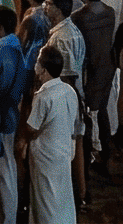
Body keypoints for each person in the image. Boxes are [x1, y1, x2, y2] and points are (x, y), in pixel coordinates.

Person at [21, 51, 78, 224]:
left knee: (45, 200)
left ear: (43, 70)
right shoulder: (69, 90)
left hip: (45, 157)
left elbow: (31, 127)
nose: (35, 66)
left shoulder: (43, 96)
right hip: (64, 151)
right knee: (62, 196)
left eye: (37, 62)